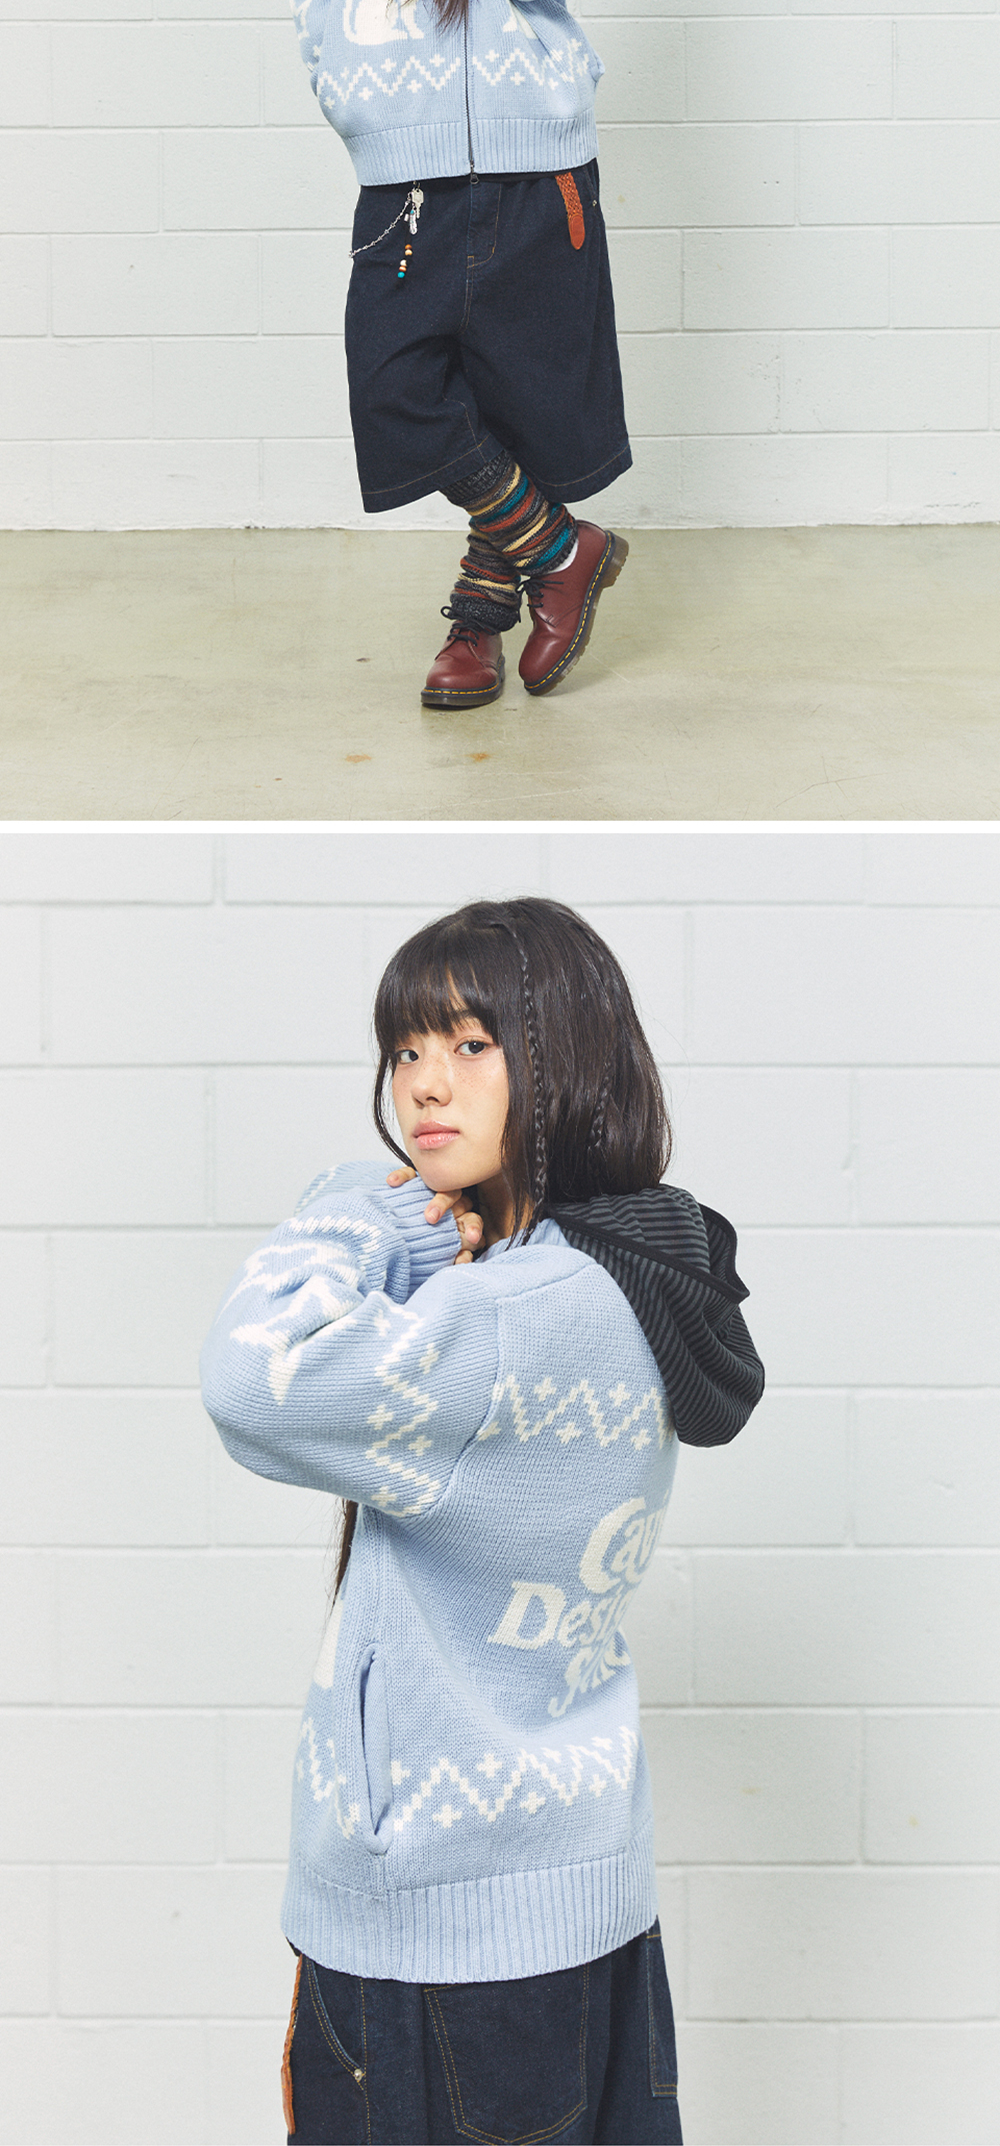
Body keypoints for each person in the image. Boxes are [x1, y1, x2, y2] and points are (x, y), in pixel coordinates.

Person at [200, 884, 764, 2146]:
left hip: (443, 1944)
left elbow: (249, 1381)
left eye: (470, 1041)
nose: (423, 1085)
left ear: (567, 1056)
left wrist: (360, 1207)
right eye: (405, 1047)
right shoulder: (606, 1282)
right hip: (570, 1907)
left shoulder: (512, 1316)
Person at [284, 0, 633, 709]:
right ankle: (562, 550)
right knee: (397, 385)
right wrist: (348, 89)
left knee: (518, 400)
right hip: (411, 177)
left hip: (542, 168)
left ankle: (480, 621)